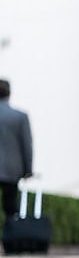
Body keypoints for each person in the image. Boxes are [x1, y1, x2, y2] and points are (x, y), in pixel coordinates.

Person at [0, 79, 33, 218]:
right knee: (10, 207)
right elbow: (26, 145)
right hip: (12, 170)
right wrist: (28, 170)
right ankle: (10, 236)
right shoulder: (20, 117)